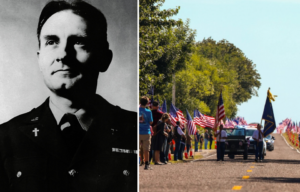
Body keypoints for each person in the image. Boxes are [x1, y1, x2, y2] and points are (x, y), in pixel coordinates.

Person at [0, 1, 137, 191]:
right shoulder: (6, 138)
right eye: (51, 42)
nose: (63, 54)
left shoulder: (133, 129)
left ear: (104, 58)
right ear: (40, 57)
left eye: (79, 42)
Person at [139, 96, 153, 170]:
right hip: (146, 131)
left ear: (140, 102)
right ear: (147, 103)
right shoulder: (148, 111)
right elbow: (151, 122)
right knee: (146, 149)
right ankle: (146, 164)